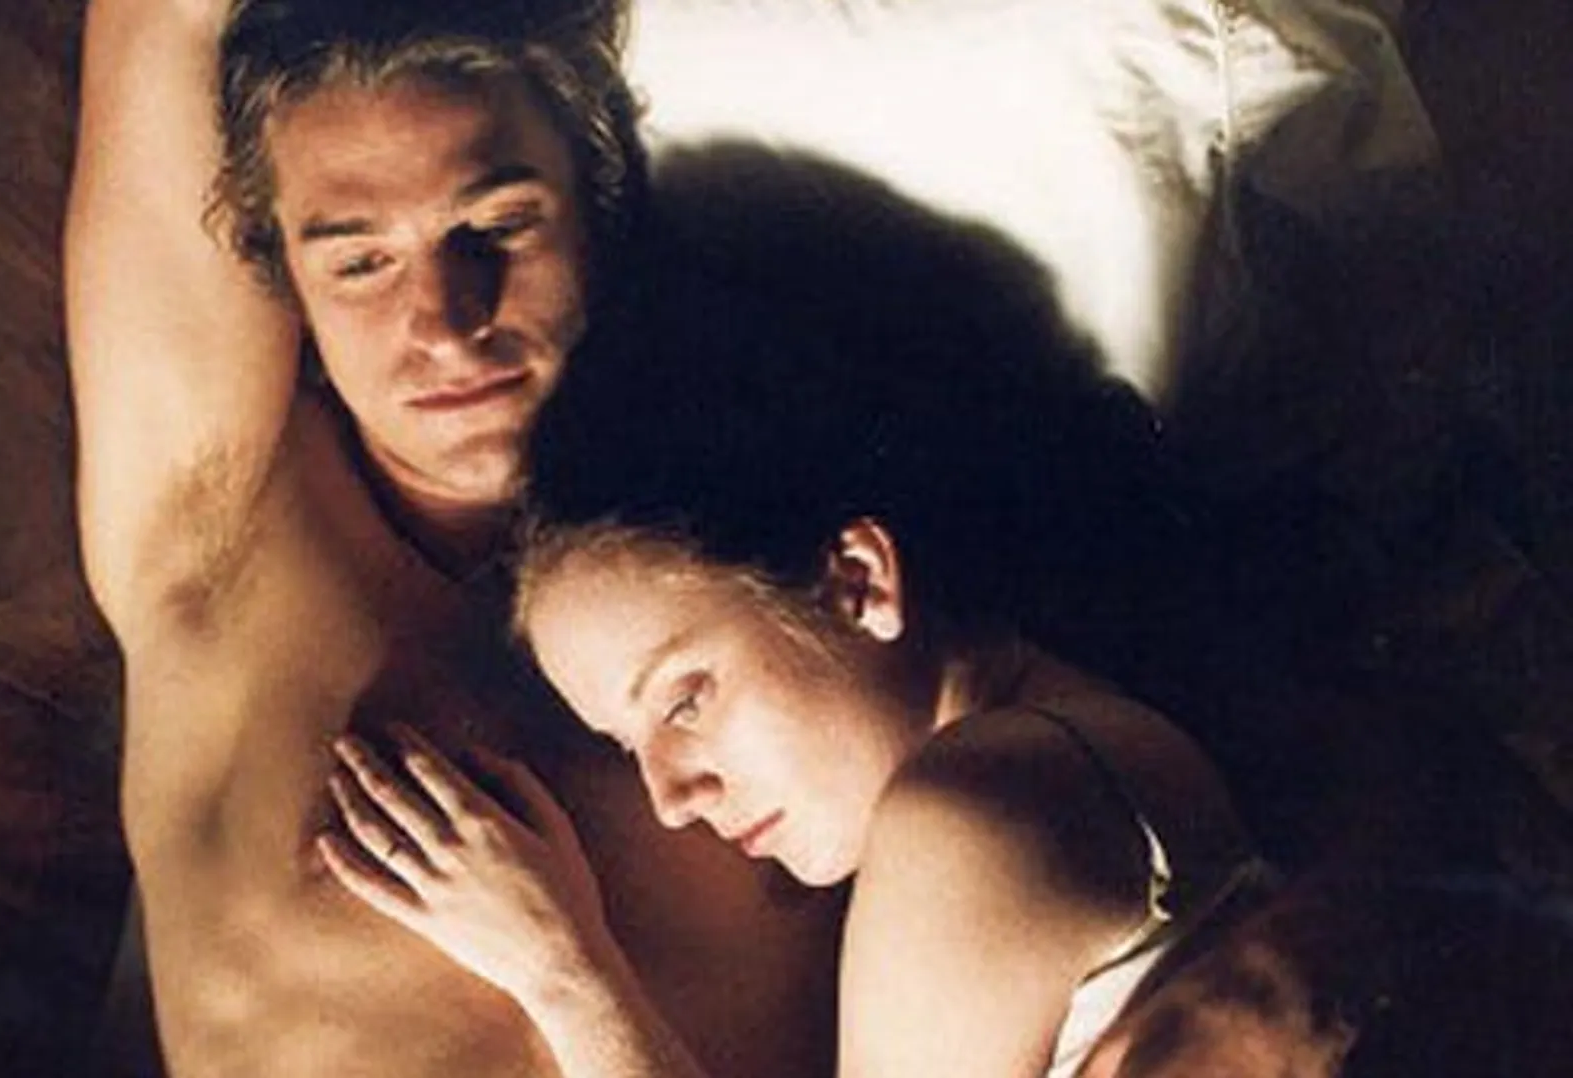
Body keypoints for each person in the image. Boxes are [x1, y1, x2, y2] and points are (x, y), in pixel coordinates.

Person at [63, 1, 842, 1075]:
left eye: (497, 227)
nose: (443, 321)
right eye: (360, 264)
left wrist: (569, 973)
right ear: (286, 280)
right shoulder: (220, 538)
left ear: (595, 218)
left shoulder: (797, 608)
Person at [319, 263, 1269, 1077]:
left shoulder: (972, 811)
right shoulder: (1075, 743)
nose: (672, 800)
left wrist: (562, 974)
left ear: (857, 583)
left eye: (684, 699)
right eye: (628, 744)